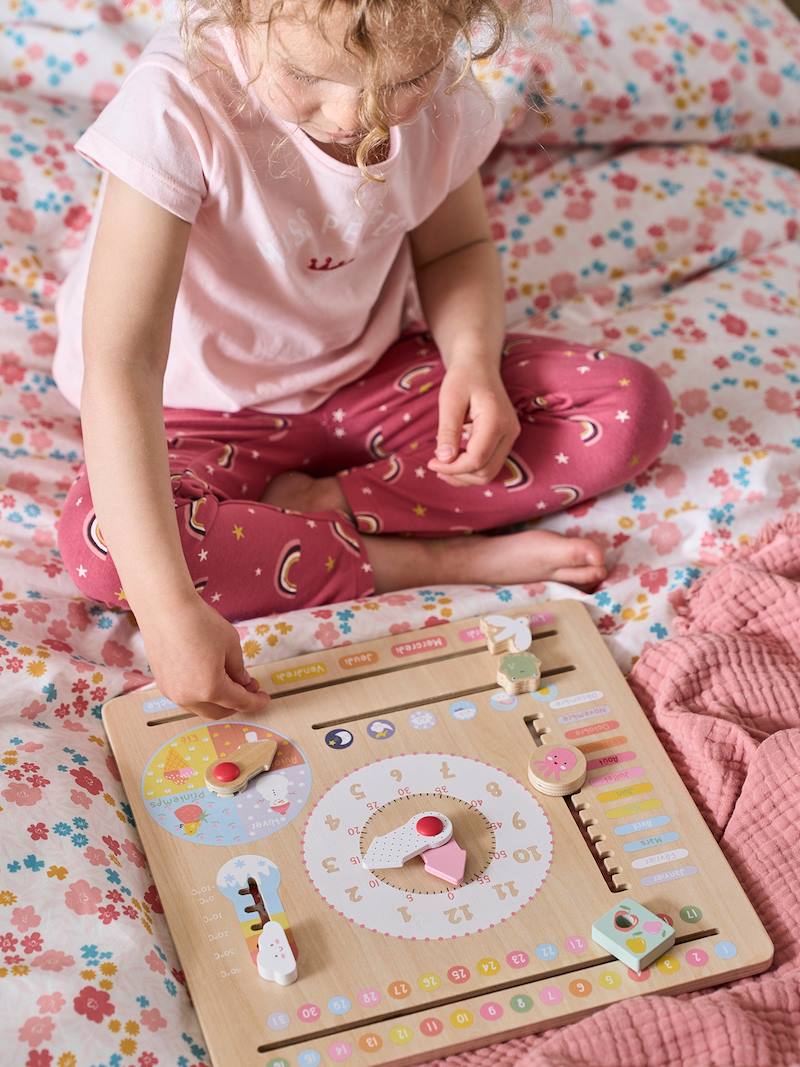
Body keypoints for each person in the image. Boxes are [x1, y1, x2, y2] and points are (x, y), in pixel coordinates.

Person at [53, 0, 675, 720]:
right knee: (108, 552)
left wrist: (471, 362)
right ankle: (422, 560)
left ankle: (329, 506)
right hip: (195, 407)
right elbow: (122, 364)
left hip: (365, 377)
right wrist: (165, 612)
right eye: (304, 74)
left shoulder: (443, 96)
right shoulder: (177, 106)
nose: (353, 117)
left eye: (398, 82)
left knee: (628, 408)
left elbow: (456, 249)